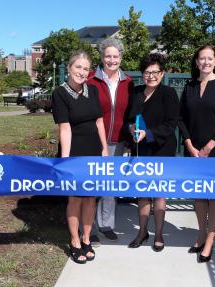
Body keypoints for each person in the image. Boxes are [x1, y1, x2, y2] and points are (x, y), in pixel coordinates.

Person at [178, 45, 215, 263]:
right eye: (202, 58)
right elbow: (181, 118)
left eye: (210, 58)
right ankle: (201, 233)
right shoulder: (190, 86)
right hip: (193, 150)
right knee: (199, 195)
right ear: (196, 62)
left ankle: (210, 239)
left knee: (214, 196)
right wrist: (190, 145)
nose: (206, 62)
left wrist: (209, 147)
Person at [52, 50, 108, 264]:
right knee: (75, 198)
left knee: (90, 198)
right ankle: (74, 241)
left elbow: (99, 122)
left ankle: (87, 239)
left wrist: (104, 150)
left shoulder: (93, 91)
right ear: (69, 68)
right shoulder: (60, 93)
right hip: (74, 153)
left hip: (94, 151)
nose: (82, 72)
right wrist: (65, 160)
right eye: (78, 67)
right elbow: (65, 129)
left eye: (86, 69)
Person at [126, 53, 180, 252]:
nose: (151, 76)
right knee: (142, 193)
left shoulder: (169, 94)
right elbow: (129, 118)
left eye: (155, 72)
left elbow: (171, 124)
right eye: (147, 72)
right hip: (141, 149)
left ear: (162, 73)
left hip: (161, 149)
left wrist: (148, 134)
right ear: (142, 74)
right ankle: (142, 232)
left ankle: (158, 233)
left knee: (158, 193)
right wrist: (131, 128)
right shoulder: (137, 92)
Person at [87, 38, 133, 242]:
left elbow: (131, 112)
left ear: (121, 57)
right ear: (102, 57)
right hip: (93, 139)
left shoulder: (128, 82)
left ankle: (106, 224)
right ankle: (88, 227)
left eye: (115, 56)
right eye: (108, 56)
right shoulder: (90, 80)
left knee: (110, 185)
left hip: (118, 140)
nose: (112, 60)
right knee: (91, 184)